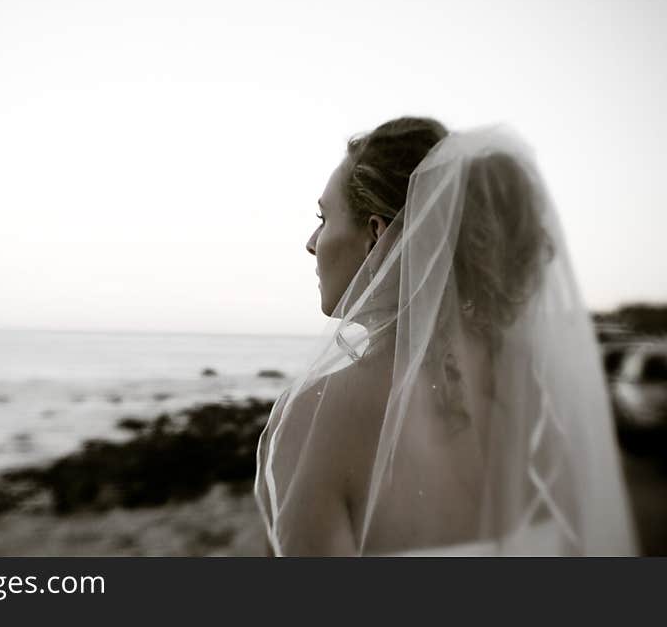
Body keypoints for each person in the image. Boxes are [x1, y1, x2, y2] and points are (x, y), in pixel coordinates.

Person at [254, 118, 638, 556]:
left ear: (378, 236)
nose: (311, 242)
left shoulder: (314, 418)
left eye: (324, 218)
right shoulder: (534, 391)